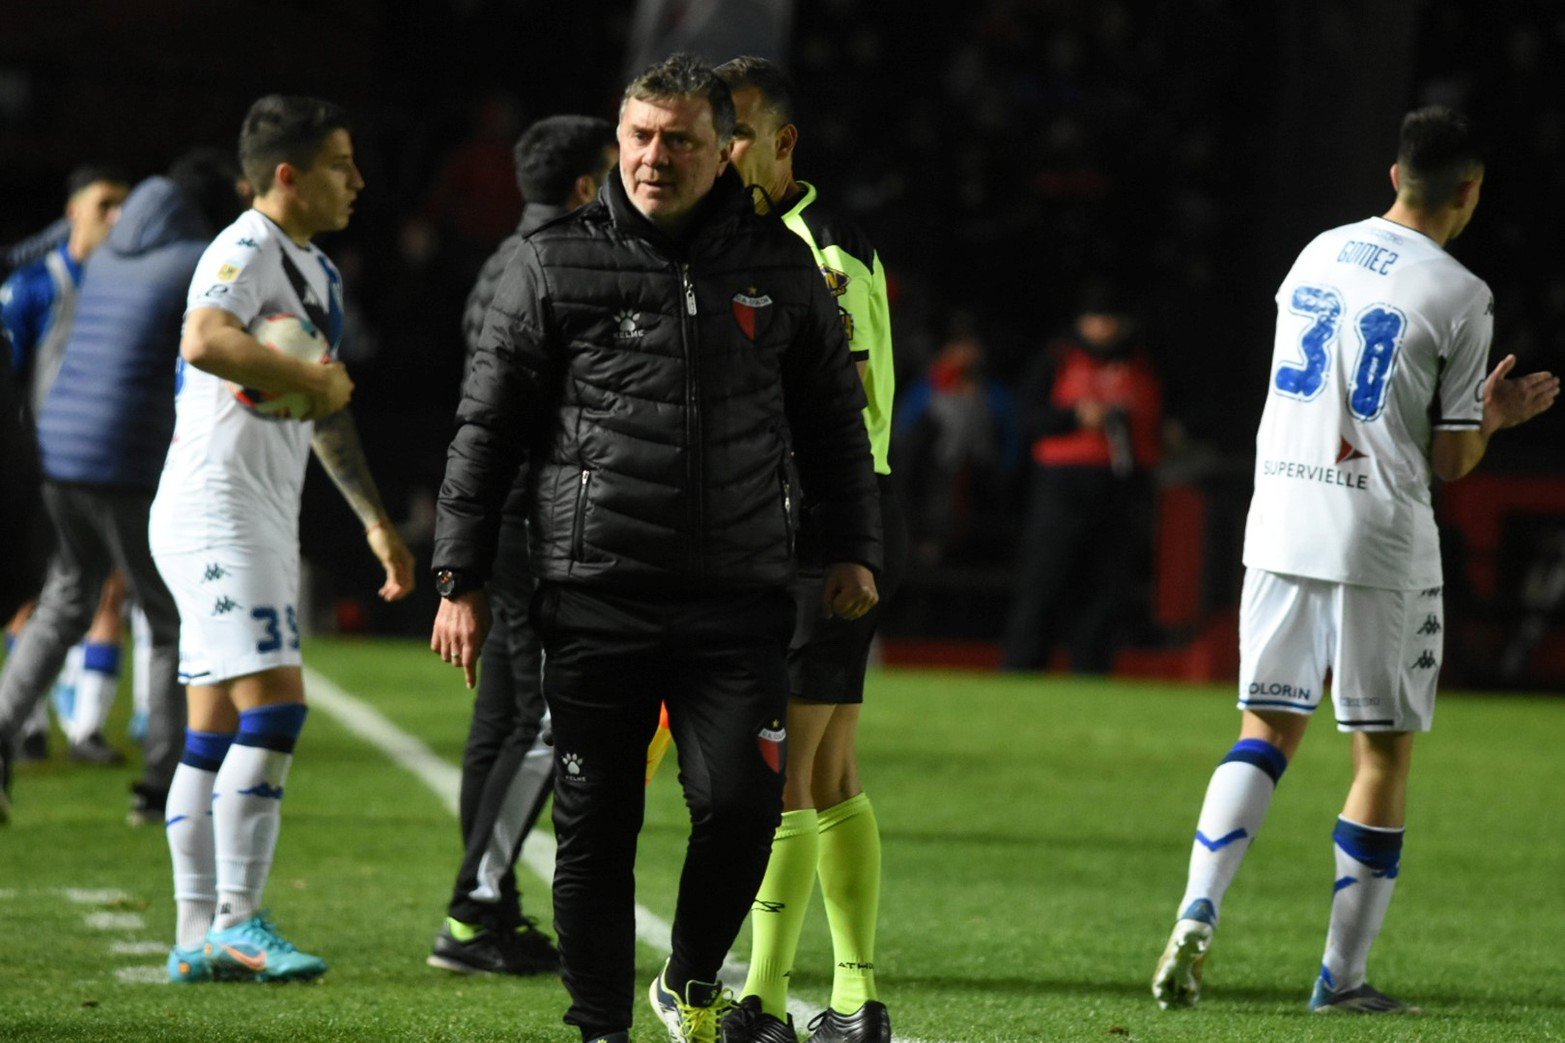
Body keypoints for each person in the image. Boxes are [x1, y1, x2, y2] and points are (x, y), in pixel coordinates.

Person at [430, 53, 882, 1043]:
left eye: (677, 139)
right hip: (595, 594)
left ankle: (685, 975)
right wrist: (457, 575)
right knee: (595, 830)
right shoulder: (554, 261)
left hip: (740, 597)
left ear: (723, 150)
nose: (652, 156)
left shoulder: (780, 267)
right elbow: (485, 429)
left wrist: (854, 547)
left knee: (741, 803)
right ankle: (599, 1026)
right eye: (637, 136)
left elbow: (834, 428)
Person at [1151, 106, 1558, 1015]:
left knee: (1265, 728)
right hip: (1378, 533)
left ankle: (1195, 911)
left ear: (1391, 176)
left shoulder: (1316, 252)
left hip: (1282, 515)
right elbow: (1451, 459)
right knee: (1379, 753)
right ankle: (1339, 978)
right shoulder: (1460, 294)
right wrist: (1494, 418)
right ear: (1469, 193)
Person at [150, 95, 415, 985]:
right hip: (216, 510)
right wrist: (305, 373)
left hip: (250, 510)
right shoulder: (245, 247)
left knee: (213, 726)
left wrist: (375, 521)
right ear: (289, 175)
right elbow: (204, 338)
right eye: (342, 164)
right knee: (278, 707)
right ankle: (238, 919)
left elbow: (322, 406)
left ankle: (196, 932)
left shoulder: (317, 273)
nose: (358, 182)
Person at [714, 55, 903, 1043]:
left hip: (819, 521)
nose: (718, 148)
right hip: (835, 514)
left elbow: (852, 395)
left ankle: (760, 994)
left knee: (784, 769)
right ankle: (851, 997)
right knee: (826, 770)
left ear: (782, 142)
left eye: (734, 131)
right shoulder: (795, 235)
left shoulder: (807, 246)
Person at [426, 113, 616, 979]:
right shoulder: (566, 265)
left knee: (499, 718)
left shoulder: (502, 259)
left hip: (498, 515)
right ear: (584, 185)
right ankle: (473, 907)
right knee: (543, 719)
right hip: (531, 519)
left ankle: (486, 910)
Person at [0, 151, 236, 826]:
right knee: (166, 619)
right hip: (126, 458)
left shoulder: (107, 256)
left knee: (65, 600)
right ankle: (160, 781)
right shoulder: (196, 258)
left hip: (61, 454)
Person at [1, 164, 132, 764]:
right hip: (34, 463)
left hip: (98, 462)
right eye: (106, 204)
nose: (118, 218)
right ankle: (25, 724)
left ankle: (86, 731)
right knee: (30, 594)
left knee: (107, 590)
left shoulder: (129, 286)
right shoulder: (34, 284)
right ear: (74, 212)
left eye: (124, 205)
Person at [1000, 280, 1164, 673]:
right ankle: (1023, 666)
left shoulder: (1141, 362)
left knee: (1109, 585)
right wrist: (1075, 416)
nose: (1103, 328)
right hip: (1062, 484)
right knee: (1046, 578)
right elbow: (1026, 419)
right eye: (1095, 319)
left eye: (1110, 319)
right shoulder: (1057, 358)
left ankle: (1093, 669)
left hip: (1121, 486)